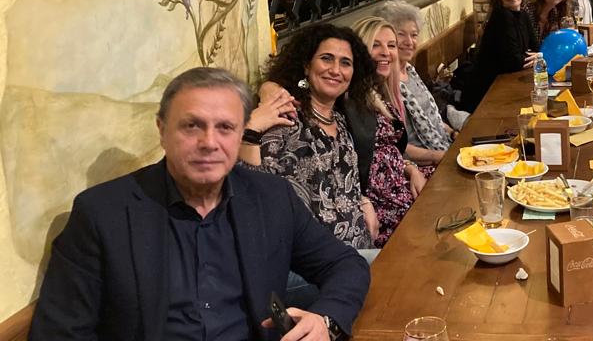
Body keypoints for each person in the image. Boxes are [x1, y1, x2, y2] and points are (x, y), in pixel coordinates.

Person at [30, 67, 369, 340]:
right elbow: (60, 333)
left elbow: (345, 264)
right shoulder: (103, 214)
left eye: (225, 128)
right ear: (162, 130)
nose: (209, 142)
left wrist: (325, 319)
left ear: (241, 133)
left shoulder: (271, 197)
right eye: (192, 126)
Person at [240, 24, 375, 250]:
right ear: (306, 66)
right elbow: (257, 189)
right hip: (315, 258)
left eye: (345, 63)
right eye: (326, 59)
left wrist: (364, 200)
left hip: (358, 249)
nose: (336, 70)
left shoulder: (339, 119)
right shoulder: (287, 119)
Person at [351, 17, 426, 246]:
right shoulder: (347, 96)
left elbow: (391, 151)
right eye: (375, 45)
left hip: (400, 185)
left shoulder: (380, 92)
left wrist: (411, 169)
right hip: (381, 203)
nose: (386, 52)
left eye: (391, 45)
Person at [379, 0, 453, 172]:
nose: (409, 41)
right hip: (421, 165)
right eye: (401, 34)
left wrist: (453, 133)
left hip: (442, 147)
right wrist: (440, 157)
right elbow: (397, 145)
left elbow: (432, 118)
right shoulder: (384, 83)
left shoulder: (410, 71)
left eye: (413, 35)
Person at [460, 0, 540, 112]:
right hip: (485, 96)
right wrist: (534, 57)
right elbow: (515, 62)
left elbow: (536, 49)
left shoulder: (522, 14)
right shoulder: (502, 16)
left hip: (505, 87)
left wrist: (537, 56)